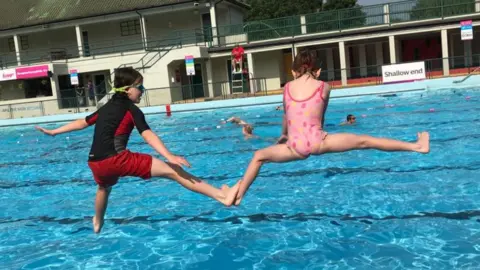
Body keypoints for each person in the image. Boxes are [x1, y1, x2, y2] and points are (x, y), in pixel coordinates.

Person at [35, 67, 239, 233]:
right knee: (174, 171)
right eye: (140, 87)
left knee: (104, 188)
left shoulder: (105, 108)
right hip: (116, 159)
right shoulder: (132, 110)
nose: (143, 91)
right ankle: (223, 196)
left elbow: (83, 122)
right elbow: (147, 134)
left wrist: (54, 132)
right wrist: (170, 156)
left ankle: (97, 222)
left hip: (95, 163)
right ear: (127, 89)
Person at [231, 49, 430, 206]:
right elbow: (320, 118)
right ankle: (417, 146)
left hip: (294, 146)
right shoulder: (324, 87)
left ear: (293, 71)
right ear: (317, 70)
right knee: (365, 141)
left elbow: (286, 118)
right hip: (319, 141)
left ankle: (238, 196)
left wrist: (284, 136)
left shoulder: (286, 88)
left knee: (258, 156)